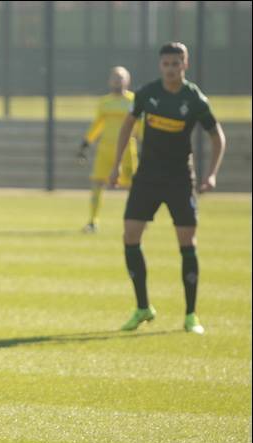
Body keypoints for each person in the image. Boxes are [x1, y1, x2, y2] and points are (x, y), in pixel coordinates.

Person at [110, 42, 226, 335]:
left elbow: (217, 137)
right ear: (160, 66)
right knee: (130, 235)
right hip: (147, 178)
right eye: (166, 64)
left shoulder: (194, 98)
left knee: (187, 243)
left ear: (185, 65)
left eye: (176, 63)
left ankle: (191, 315)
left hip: (179, 180)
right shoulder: (147, 94)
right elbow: (127, 126)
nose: (171, 69)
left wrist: (211, 175)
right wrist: (116, 164)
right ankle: (142, 307)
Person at [77, 66, 142, 233]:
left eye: (121, 77)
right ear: (109, 81)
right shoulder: (105, 102)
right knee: (97, 183)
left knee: (134, 186)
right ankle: (93, 221)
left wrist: (146, 143)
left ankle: (138, 219)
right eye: (115, 77)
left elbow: (140, 125)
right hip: (105, 149)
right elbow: (98, 124)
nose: (117, 80)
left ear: (127, 80)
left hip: (127, 150)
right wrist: (86, 142)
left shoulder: (134, 100)